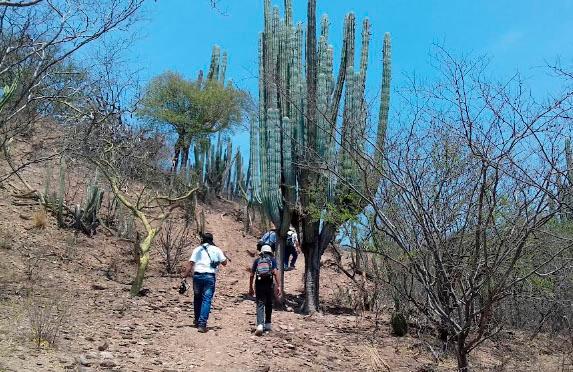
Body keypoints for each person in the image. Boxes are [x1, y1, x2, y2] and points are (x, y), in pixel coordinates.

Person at [180, 232, 227, 333]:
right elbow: (225, 262)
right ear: (211, 240)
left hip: (197, 276)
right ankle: (202, 324)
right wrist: (219, 260)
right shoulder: (216, 249)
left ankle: (197, 320)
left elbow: (191, 263)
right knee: (207, 300)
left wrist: (185, 275)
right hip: (209, 276)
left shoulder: (197, 249)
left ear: (203, 240)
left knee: (197, 298)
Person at [249, 244, 281, 336]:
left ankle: (259, 325)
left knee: (260, 304)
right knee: (269, 303)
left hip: (259, 284)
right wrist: (279, 286)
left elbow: (251, 275)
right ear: (270, 252)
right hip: (269, 284)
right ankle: (268, 324)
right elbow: (275, 272)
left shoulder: (257, 260)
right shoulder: (272, 260)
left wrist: (250, 287)